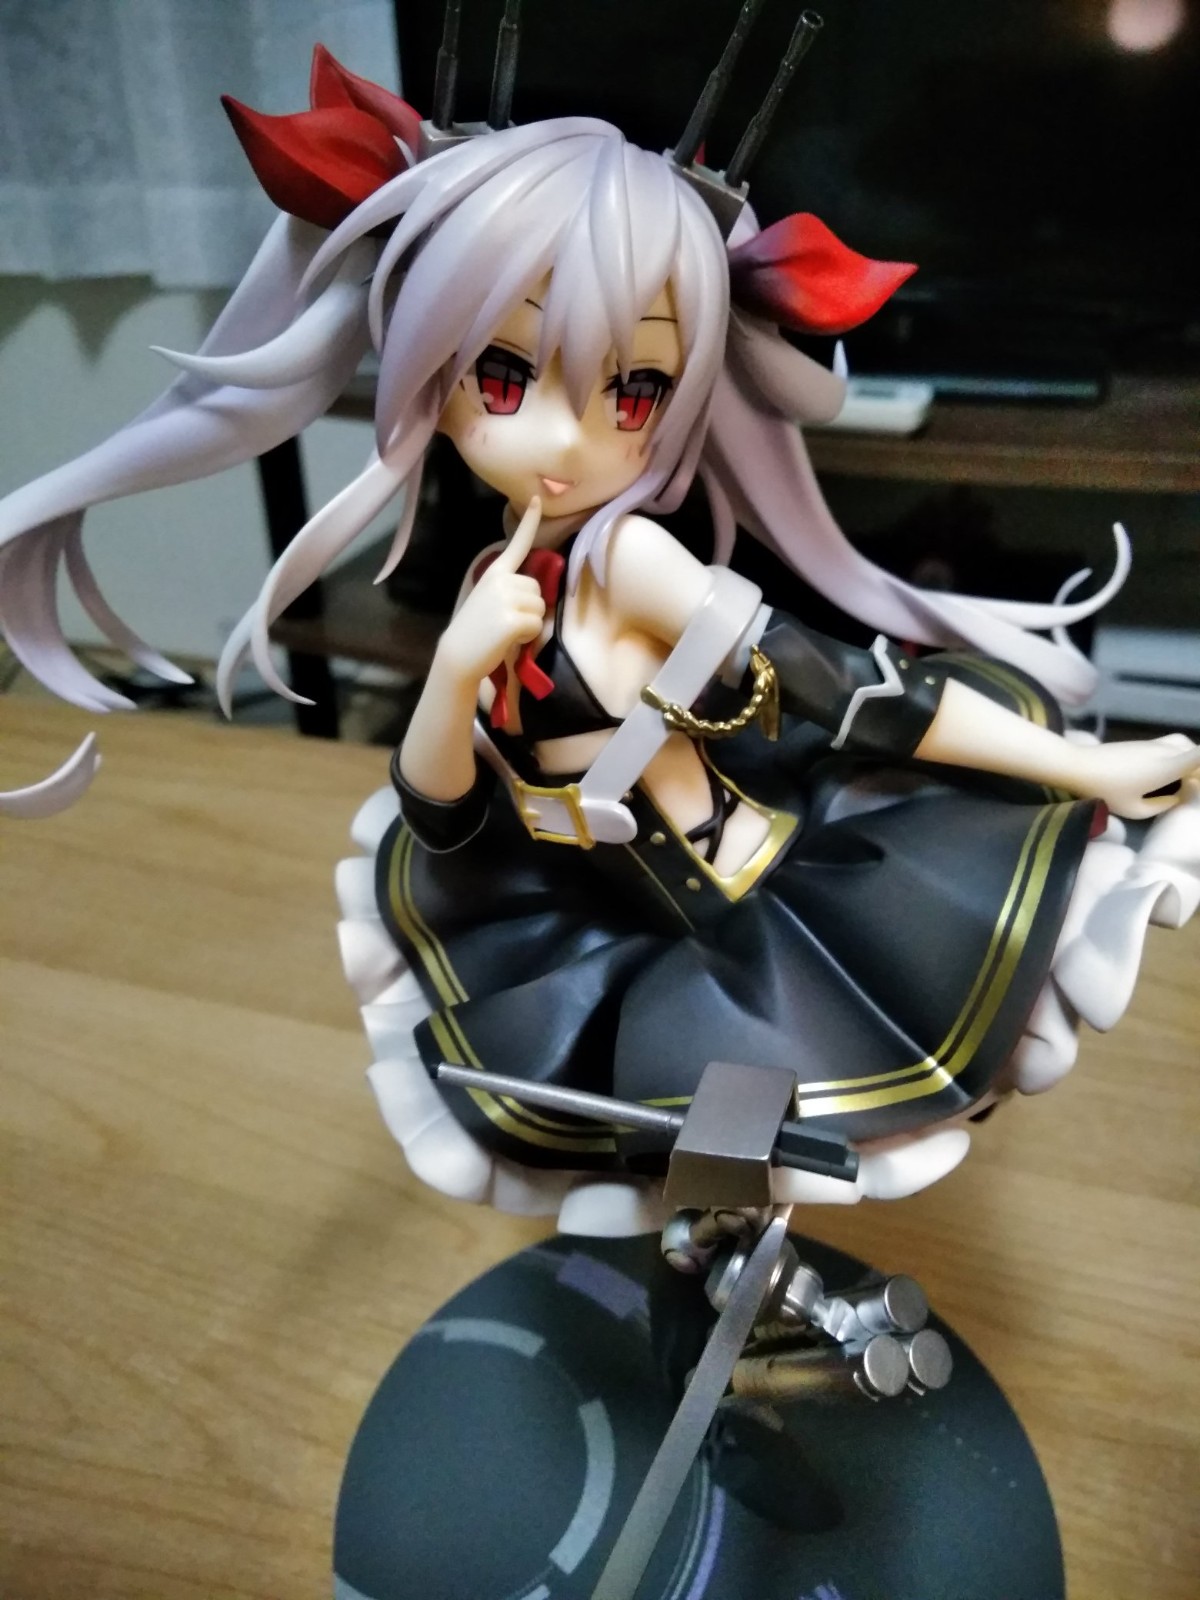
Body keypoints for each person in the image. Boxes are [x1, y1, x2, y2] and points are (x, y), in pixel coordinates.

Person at [2, 51, 1197, 1232]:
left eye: (632, 392)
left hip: (757, 911)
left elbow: (854, 695)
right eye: (506, 373)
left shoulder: (632, 563)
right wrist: (456, 670)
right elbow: (442, 814)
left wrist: (1091, 766)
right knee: (659, 1158)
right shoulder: (498, 575)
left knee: (762, 1144)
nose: (566, 439)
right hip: (613, 918)